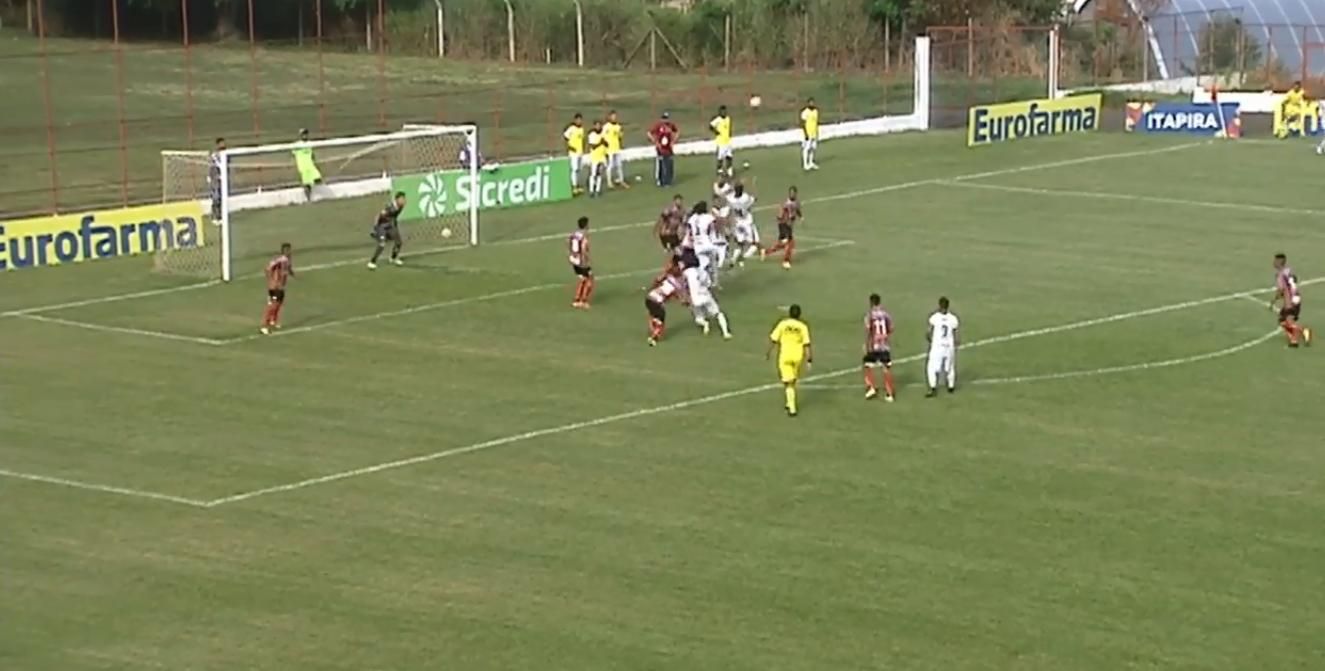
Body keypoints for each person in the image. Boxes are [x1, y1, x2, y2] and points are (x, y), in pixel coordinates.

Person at [767, 304, 812, 417]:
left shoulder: (783, 324)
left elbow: (773, 339)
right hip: (797, 356)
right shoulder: (803, 327)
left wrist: (768, 352)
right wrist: (809, 359)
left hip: (785, 356)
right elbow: (806, 344)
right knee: (792, 380)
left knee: (788, 383)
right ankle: (789, 401)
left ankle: (792, 408)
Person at [682, 252, 731, 339]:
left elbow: (684, 285)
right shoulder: (702, 272)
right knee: (718, 313)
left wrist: (685, 297)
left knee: (698, 318)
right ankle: (725, 332)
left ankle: (705, 323)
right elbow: (708, 284)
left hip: (695, 299)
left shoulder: (686, 273)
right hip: (705, 295)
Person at [1271, 253, 1313, 347]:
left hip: (1290, 301)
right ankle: (1294, 340)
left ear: (1280, 262)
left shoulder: (1280, 275)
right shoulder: (1288, 271)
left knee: (1285, 321)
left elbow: (1281, 290)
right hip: (1296, 298)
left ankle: (1303, 331)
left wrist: (1274, 300)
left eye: (1275, 261)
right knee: (1286, 320)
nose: (1273, 263)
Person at [862, 293, 896, 402]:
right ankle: (889, 393)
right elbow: (891, 328)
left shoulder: (870, 315)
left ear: (871, 303)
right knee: (886, 368)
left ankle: (871, 387)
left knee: (867, 365)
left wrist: (866, 344)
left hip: (874, 345)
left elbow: (869, 331)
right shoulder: (886, 315)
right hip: (884, 345)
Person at [645, 261, 686, 346]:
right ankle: (653, 338)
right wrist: (682, 301)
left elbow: (657, 280)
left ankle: (654, 326)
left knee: (653, 314)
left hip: (649, 298)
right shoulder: (677, 284)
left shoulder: (668, 276)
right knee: (660, 322)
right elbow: (675, 295)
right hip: (656, 302)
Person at [926, 296, 960, 397]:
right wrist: (955, 344)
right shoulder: (953, 318)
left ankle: (933, 388)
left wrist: (931, 341)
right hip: (949, 346)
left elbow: (928, 332)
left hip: (937, 346)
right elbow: (956, 335)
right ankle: (951, 387)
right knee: (950, 367)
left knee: (932, 367)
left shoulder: (934, 317)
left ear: (939, 305)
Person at [762, 186, 802, 269]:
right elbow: (780, 216)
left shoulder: (796, 202)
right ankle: (785, 261)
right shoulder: (786, 204)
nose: (792, 194)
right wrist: (783, 224)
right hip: (784, 225)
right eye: (790, 193)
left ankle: (766, 252)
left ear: (796, 194)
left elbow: (797, 210)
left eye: (793, 193)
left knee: (783, 244)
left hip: (789, 225)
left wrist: (801, 217)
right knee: (790, 243)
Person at [260, 243, 294, 335]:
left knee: (279, 304)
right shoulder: (280, 260)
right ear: (283, 251)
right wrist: (271, 279)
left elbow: (289, 269)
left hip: (281, 286)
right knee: (273, 305)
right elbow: (268, 268)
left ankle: (273, 321)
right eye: (288, 250)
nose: (290, 252)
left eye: (290, 250)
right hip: (275, 286)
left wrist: (293, 275)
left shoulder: (287, 260)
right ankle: (264, 326)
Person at [368, 191, 406, 270]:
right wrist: (375, 228)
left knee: (399, 242)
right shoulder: (389, 207)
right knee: (382, 244)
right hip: (382, 227)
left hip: (391, 226)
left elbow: (394, 217)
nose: (404, 200)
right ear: (397, 199)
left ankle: (393, 258)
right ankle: (372, 262)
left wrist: (395, 228)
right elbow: (379, 216)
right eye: (402, 199)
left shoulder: (401, 206)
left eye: (404, 199)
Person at [727, 182, 758, 267]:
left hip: (738, 223)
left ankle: (733, 259)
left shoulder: (730, 199)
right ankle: (743, 257)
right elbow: (754, 199)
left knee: (740, 244)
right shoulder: (745, 198)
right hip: (747, 222)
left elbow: (728, 196)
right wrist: (753, 189)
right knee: (754, 244)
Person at [647, 111, 679, 187]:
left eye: (667, 118)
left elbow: (677, 132)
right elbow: (649, 133)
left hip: (669, 148)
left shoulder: (671, 125)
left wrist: (673, 141)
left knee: (669, 164)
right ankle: (661, 180)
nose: (665, 120)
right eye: (664, 118)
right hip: (661, 149)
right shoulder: (658, 126)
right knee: (661, 165)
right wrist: (655, 142)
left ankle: (669, 180)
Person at [569, 216, 594, 309]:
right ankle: (583, 301)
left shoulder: (574, 234)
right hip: (581, 261)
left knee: (582, 279)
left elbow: (568, 242)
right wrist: (587, 260)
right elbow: (583, 249)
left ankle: (576, 300)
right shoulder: (584, 236)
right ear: (586, 225)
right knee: (590, 280)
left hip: (574, 259)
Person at [293, 128, 323, 202]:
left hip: (311, 165)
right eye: (303, 134)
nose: (305, 135)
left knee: (318, 178)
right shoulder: (297, 145)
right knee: (307, 183)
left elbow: (312, 155)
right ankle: (308, 199)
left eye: (306, 134)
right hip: (303, 166)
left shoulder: (310, 144)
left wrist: (315, 162)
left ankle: (314, 195)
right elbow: (293, 154)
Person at [603, 110, 628, 188]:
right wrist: (605, 148)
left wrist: (621, 140)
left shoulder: (618, 126)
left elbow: (619, 137)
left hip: (616, 148)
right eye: (612, 116)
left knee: (619, 165)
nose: (614, 118)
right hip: (609, 149)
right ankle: (609, 182)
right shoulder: (606, 126)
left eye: (615, 116)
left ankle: (621, 180)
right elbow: (602, 137)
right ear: (609, 117)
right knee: (610, 165)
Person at [564, 113, 586, 196]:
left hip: (580, 152)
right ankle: (574, 186)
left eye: (580, 120)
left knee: (579, 169)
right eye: (578, 120)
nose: (579, 121)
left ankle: (577, 185)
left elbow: (583, 139)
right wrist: (569, 147)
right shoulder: (571, 128)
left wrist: (583, 149)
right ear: (575, 120)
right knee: (574, 169)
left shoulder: (581, 129)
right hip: (573, 153)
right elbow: (566, 138)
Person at [586, 119, 609, 198]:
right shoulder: (591, 134)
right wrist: (600, 142)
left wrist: (605, 143)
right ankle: (591, 190)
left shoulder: (603, 133)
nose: (598, 127)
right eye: (597, 125)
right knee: (593, 174)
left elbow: (606, 144)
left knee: (599, 174)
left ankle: (598, 190)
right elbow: (592, 146)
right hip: (594, 157)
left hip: (602, 156)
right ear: (594, 126)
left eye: (599, 125)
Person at [710, 105, 734, 177]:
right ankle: (719, 170)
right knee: (720, 158)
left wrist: (730, 133)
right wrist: (716, 132)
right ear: (720, 112)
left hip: (728, 141)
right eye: (722, 111)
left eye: (725, 111)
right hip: (721, 142)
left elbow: (729, 127)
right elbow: (711, 126)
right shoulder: (717, 119)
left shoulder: (728, 118)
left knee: (729, 156)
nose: (724, 113)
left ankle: (729, 171)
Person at [208, 137, 226, 223]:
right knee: (216, 198)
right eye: (221, 143)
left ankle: (220, 216)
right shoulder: (214, 155)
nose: (223, 145)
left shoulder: (226, 154)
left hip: (223, 179)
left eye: (224, 143)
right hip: (215, 180)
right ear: (217, 145)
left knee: (222, 198)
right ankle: (214, 216)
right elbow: (212, 166)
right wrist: (210, 176)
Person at [800, 97, 820, 171]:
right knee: (806, 148)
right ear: (808, 103)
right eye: (810, 102)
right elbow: (802, 123)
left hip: (814, 132)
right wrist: (805, 133)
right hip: (808, 132)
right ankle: (805, 164)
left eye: (813, 102)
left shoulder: (816, 111)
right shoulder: (805, 112)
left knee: (813, 148)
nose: (812, 104)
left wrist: (817, 132)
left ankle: (811, 162)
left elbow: (816, 122)